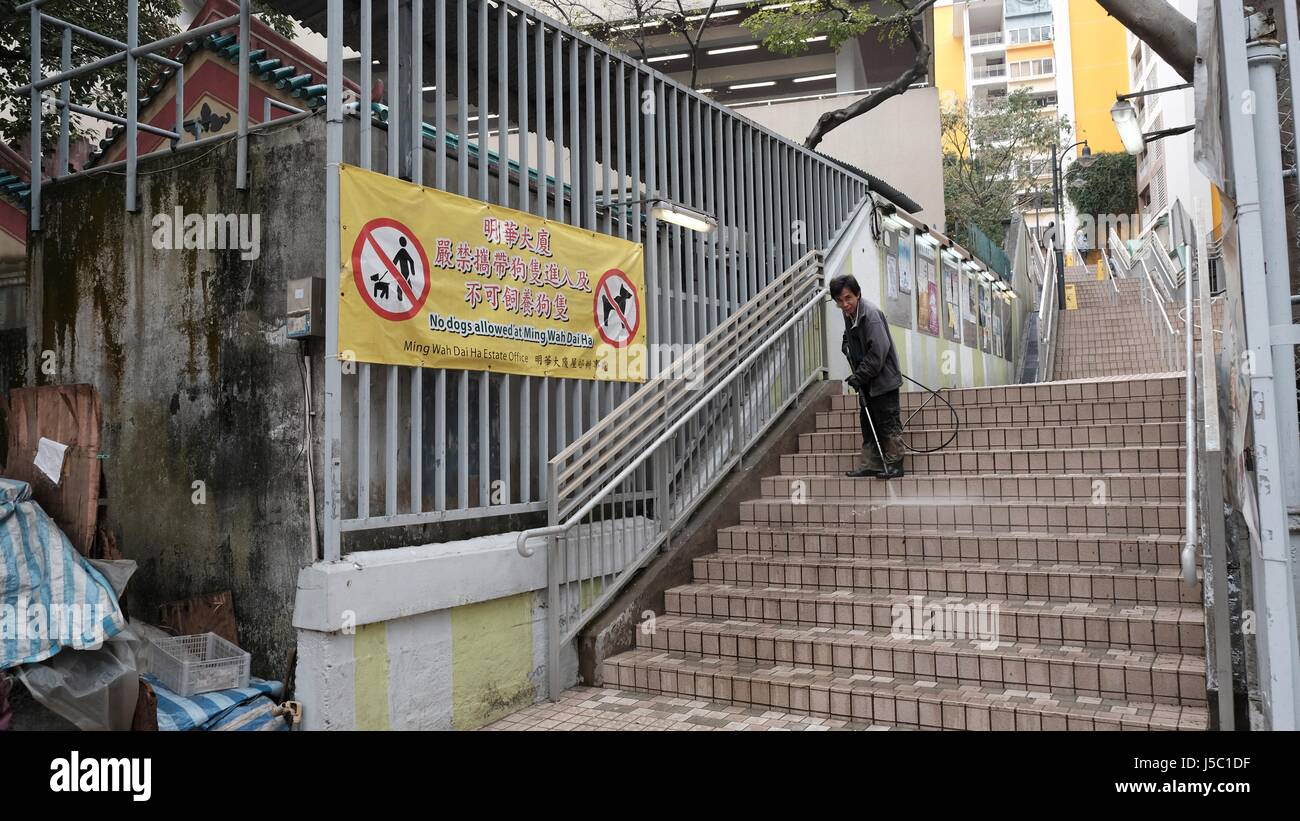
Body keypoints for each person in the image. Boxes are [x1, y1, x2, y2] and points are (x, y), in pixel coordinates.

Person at [829, 274, 905, 479]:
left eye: (848, 298)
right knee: (868, 422)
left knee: (888, 422)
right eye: (839, 301)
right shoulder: (850, 315)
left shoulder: (870, 315)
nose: (844, 304)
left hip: (883, 380)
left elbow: (878, 352)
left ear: (858, 295)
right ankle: (871, 463)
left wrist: (859, 376)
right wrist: (846, 343)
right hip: (869, 382)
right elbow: (851, 335)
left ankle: (895, 464)